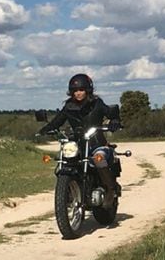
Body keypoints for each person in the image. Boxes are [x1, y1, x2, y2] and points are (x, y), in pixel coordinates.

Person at [38, 73, 121, 208]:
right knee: (65, 159)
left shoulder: (97, 103)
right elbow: (58, 120)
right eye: (75, 90)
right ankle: (67, 193)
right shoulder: (69, 106)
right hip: (77, 143)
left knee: (98, 157)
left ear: (88, 90)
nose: (78, 93)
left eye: (81, 90)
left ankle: (110, 190)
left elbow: (111, 113)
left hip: (96, 142)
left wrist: (115, 121)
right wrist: (46, 129)